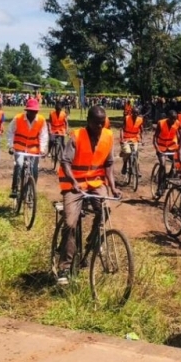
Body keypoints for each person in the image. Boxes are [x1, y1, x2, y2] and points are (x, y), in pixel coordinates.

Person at [56, 106, 122, 285]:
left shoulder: (108, 136)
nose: (100, 126)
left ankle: (92, 242)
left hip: (95, 183)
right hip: (73, 185)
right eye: (96, 123)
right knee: (70, 224)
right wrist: (74, 183)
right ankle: (64, 267)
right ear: (88, 122)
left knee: (104, 211)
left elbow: (108, 164)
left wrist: (113, 187)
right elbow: (65, 161)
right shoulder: (77, 136)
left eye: (103, 123)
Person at [7, 98, 48, 198]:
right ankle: (15, 188)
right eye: (31, 111)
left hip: (34, 150)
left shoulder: (41, 120)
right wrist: (11, 146)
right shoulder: (18, 118)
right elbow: (10, 132)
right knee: (19, 164)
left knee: (34, 169)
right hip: (19, 148)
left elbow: (44, 135)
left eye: (34, 111)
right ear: (27, 110)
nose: (32, 113)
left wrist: (42, 149)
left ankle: (32, 189)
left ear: (37, 111)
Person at [153, 109, 180, 198]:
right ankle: (160, 187)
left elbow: (179, 136)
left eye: (175, 119)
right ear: (168, 117)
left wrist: (180, 147)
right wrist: (157, 149)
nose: (173, 121)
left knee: (176, 162)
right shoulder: (161, 123)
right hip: (161, 147)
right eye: (172, 119)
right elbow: (155, 138)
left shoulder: (177, 123)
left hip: (172, 147)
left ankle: (169, 176)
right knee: (163, 164)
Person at [120, 106, 144, 176]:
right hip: (126, 138)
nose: (135, 115)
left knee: (136, 153)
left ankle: (137, 169)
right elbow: (122, 129)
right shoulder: (126, 118)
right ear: (131, 113)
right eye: (134, 113)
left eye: (137, 113)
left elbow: (142, 130)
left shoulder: (140, 119)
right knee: (127, 152)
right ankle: (124, 164)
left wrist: (142, 139)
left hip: (135, 139)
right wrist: (121, 139)